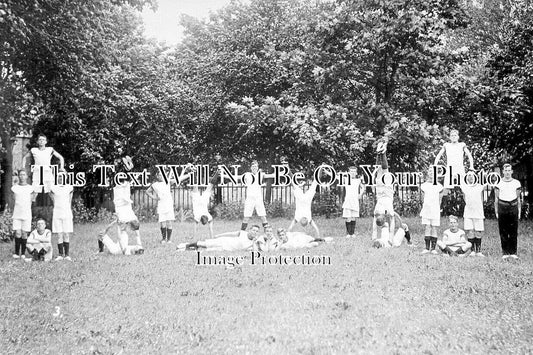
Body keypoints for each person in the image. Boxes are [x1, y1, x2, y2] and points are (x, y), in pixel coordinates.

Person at [220, 160, 275, 232]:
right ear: (251, 168)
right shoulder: (247, 175)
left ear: (258, 167)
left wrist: (283, 172)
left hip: (258, 198)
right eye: (253, 166)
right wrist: (223, 175)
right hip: (250, 199)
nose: (254, 168)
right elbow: (235, 177)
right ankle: (242, 233)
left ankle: (267, 233)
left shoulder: (261, 174)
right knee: (246, 217)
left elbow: (272, 175)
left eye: (256, 166)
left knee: (263, 216)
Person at [145, 168, 190, 244]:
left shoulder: (168, 182)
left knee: (169, 222)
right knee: (162, 222)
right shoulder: (155, 185)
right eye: (159, 175)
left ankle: (169, 239)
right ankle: (163, 239)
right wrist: (155, 198)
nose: (160, 176)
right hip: (161, 205)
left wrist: (188, 175)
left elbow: (178, 179)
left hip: (168, 205)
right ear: (157, 176)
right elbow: (147, 191)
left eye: (162, 175)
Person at [494, 163, 522, 260]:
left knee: (513, 230)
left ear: (512, 171)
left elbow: (518, 198)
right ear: (503, 171)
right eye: (505, 170)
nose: (507, 172)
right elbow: (496, 199)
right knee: (503, 230)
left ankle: (513, 252)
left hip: (513, 207)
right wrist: (496, 211)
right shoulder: (499, 183)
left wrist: (519, 211)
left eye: (509, 170)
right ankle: (505, 252)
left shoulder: (516, 183)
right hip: (502, 207)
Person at [371, 136, 395, 244]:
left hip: (381, 193)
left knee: (379, 171)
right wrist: (390, 237)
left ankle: (380, 152)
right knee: (383, 171)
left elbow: (375, 223)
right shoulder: (388, 211)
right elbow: (392, 220)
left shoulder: (377, 211)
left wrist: (374, 235)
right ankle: (382, 152)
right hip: (386, 192)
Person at [11, 170, 36, 259]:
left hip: (27, 214)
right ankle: (17, 253)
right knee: (17, 233)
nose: (22, 176)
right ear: (19, 177)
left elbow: (32, 199)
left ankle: (23, 254)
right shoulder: (15, 187)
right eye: (20, 175)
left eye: (23, 175)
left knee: (24, 234)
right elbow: (14, 198)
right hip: (17, 213)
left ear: (26, 176)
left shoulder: (30, 188)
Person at [177, 225, 261, 251]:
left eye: (257, 231)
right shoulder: (243, 233)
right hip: (224, 241)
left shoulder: (253, 242)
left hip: (225, 249)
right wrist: (219, 235)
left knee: (206, 250)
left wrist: (254, 242)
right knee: (204, 244)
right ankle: (186, 245)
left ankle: (185, 249)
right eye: (253, 230)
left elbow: (254, 251)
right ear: (249, 230)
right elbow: (231, 233)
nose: (255, 232)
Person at [460, 172, 486, 257]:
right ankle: (472, 251)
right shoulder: (464, 187)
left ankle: (478, 251)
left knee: (478, 231)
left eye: (472, 175)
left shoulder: (480, 187)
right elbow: (464, 198)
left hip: (478, 212)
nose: (470, 177)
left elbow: (482, 198)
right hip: (468, 212)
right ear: (467, 178)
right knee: (470, 231)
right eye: (469, 176)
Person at [420, 168, 444, 255]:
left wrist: (437, 208)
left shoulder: (439, 186)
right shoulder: (423, 185)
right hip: (426, 209)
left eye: (432, 171)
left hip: (435, 209)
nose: (431, 173)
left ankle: (433, 248)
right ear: (427, 173)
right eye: (429, 171)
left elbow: (440, 199)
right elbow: (423, 198)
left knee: (434, 227)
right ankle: (426, 248)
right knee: (427, 227)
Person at [50, 182, 74, 261]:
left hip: (66, 213)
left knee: (66, 234)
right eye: (59, 176)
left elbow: (70, 200)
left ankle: (67, 255)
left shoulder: (69, 187)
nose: (61, 178)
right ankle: (60, 254)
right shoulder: (54, 187)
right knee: (59, 234)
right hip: (57, 213)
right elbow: (52, 197)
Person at [342, 166, 363, 238]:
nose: (353, 173)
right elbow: (335, 177)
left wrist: (360, 194)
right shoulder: (345, 179)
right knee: (348, 217)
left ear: (356, 172)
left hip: (355, 201)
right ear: (348, 172)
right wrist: (327, 171)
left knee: (353, 217)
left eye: (354, 171)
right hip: (348, 201)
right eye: (351, 171)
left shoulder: (358, 180)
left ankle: (352, 233)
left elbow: (363, 187)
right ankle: (348, 233)